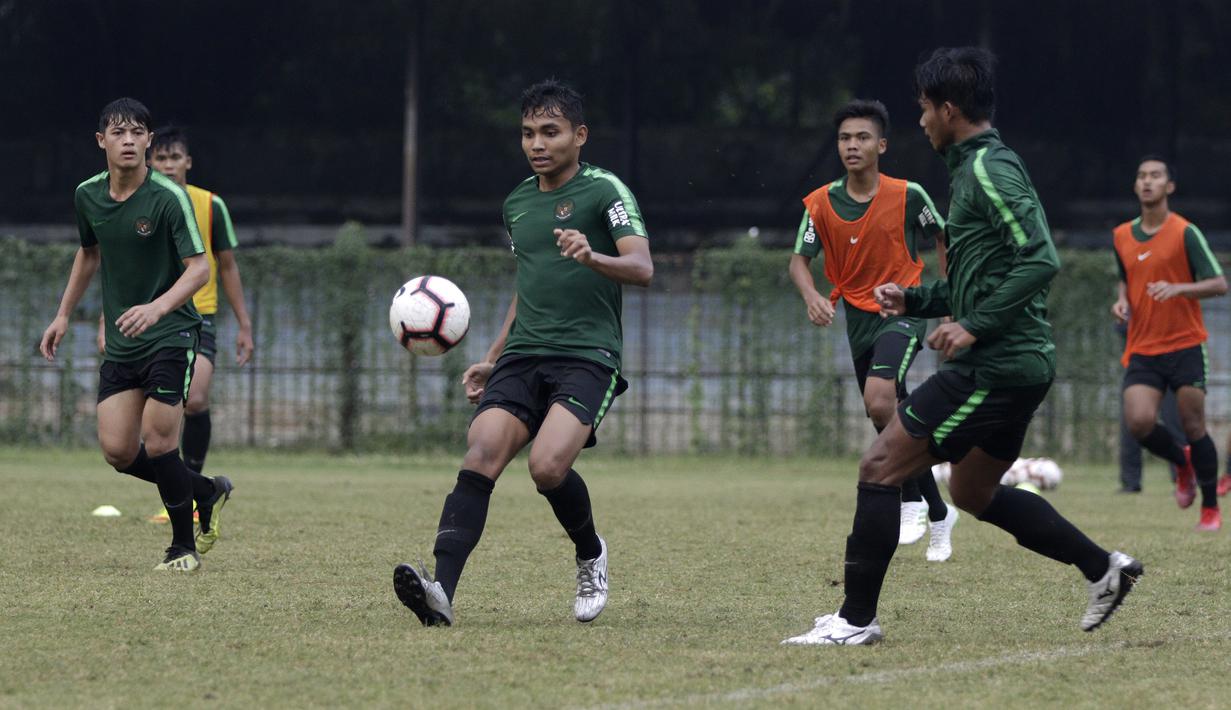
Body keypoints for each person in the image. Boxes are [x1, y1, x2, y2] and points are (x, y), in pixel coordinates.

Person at [783, 47, 1141, 646]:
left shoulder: (986, 171)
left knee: (879, 465)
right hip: (1011, 364)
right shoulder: (975, 166)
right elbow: (982, 275)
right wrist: (918, 301)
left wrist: (973, 327)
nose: (920, 120)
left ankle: (854, 621)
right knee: (973, 490)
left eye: (924, 109)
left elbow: (1039, 258)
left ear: (948, 110)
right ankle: (1104, 569)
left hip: (996, 366)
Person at [392, 80, 653, 626]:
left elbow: (643, 268)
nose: (538, 143)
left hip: (589, 354)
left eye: (551, 132)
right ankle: (441, 591)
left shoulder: (606, 191)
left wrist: (592, 256)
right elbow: (528, 284)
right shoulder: (516, 203)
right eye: (529, 133)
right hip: (524, 353)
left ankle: (590, 552)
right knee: (481, 450)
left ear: (579, 136)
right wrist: (492, 355)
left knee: (547, 467)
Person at [39, 98, 233, 572]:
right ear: (101, 140)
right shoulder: (87, 195)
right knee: (120, 452)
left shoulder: (169, 197)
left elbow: (201, 269)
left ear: (148, 141)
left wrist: (158, 307)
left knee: (161, 441)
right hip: (126, 341)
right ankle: (206, 491)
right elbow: (88, 254)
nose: (128, 140)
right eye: (118, 132)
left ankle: (182, 548)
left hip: (172, 333)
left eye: (137, 132)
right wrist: (63, 315)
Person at [789, 99, 959, 561]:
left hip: (901, 310)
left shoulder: (909, 195)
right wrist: (812, 296)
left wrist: (949, 304)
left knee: (880, 400)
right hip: (857, 320)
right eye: (845, 138)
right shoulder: (822, 202)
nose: (852, 145)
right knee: (890, 415)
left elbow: (945, 238)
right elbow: (799, 261)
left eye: (862, 137)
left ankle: (909, 500)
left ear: (881, 145)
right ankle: (939, 511)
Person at [125, 126, 254, 525]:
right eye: (161, 158)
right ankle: (195, 489)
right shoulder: (137, 204)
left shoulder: (210, 205)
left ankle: (194, 492)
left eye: (175, 157)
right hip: (150, 319)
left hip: (199, 316)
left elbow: (227, 266)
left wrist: (245, 325)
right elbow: (124, 267)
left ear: (188, 162)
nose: (168, 164)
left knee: (195, 398)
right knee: (141, 430)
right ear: (151, 161)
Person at [1112, 156, 1226, 530]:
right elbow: (1125, 278)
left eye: (1156, 176)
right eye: (1142, 175)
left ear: (1169, 187)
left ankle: (1210, 507)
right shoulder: (1121, 236)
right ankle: (1181, 463)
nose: (1148, 181)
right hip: (1143, 345)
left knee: (1194, 426)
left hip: (1185, 344)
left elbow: (1219, 283)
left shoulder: (1185, 232)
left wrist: (1179, 288)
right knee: (1139, 422)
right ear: (1135, 186)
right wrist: (1123, 300)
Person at [1115, 320, 1182, 493]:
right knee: (1132, 422)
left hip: (1173, 359)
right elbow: (1122, 324)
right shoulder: (1132, 295)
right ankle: (1130, 482)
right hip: (1140, 361)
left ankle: (1182, 477)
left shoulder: (1174, 295)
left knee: (1175, 422)